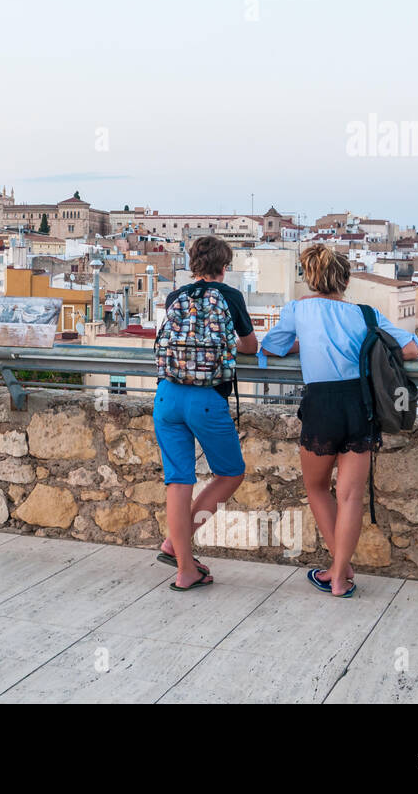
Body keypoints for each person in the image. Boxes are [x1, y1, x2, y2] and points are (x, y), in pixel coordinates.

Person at [258, 245, 418, 597]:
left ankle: (340, 566)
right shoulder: (365, 314)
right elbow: (413, 350)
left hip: (322, 404)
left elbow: (271, 347)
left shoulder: (299, 309)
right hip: (361, 404)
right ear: (346, 279)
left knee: (317, 488)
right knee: (351, 496)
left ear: (309, 278)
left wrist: (305, 344)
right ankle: (340, 576)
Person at [153, 236, 259, 591]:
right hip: (206, 398)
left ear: (193, 264)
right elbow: (249, 345)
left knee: (178, 480)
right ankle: (178, 544)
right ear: (224, 267)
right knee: (230, 473)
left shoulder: (175, 297)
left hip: (167, 395)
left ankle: (184, 565)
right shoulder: (230, 297)